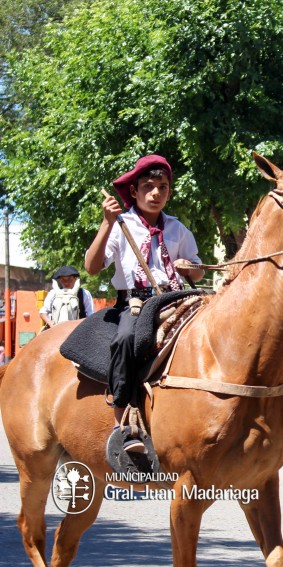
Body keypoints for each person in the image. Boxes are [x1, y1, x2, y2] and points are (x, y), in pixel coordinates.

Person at [85, 154, 204, 453]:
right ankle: (122, 421)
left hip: (177, 298)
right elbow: (91, 266)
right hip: (136, 303)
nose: (155, 193)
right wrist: (106, 223)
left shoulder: (178, 229)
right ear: (134, 192)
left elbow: (199, 270)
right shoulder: (120, 224)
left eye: (162, 187)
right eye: (148, 187)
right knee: (126, 339)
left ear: (169, 192)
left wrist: (189, 267)